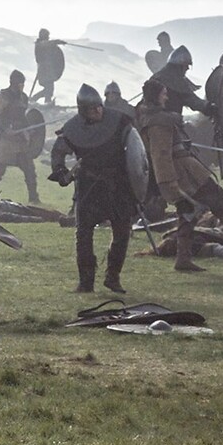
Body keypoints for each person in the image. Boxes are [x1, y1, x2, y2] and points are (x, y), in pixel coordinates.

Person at [136, 78, 223, 271]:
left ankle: (183, 259)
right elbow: (161, 156)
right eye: (163, 94)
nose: (166, 97)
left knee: (187, 214)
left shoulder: (155, 119)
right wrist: (169, 184)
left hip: (184, 170)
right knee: (221, 200)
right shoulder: (159, 123)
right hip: (185, 174)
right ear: (156, 96)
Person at [48, 85, 137, 293]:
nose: (98, 111)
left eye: (99, 107)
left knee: (122, 231)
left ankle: (113, 277)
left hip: (117, 185)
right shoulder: (73, 128)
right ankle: (86, 281)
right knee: (84, 234)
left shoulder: (118, 121)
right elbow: (58, 151)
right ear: (83, 111)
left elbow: (135, 148)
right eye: (92, 109)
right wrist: (60, 171)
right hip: (89, 185)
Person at [0, 70, 41, 203]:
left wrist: (30, 129)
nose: (22, 86)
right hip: (6, 139)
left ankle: (33, 198)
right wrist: (5, 129)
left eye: (23, 84)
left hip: (20, 139)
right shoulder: (4, 97)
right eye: (20, 84)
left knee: (29, 169)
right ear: (13, 83)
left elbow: (23, 117)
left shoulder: (23, 97)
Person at [32, 28, 67, 105]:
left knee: (49, 89)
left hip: (48, 71)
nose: (48, 37)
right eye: (47, 35)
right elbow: (46, 44)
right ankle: (45, 101)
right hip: (44, 71)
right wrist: (57, 41)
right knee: (49, 88)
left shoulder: (44, 45)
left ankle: (35, 99)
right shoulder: (40, 44)